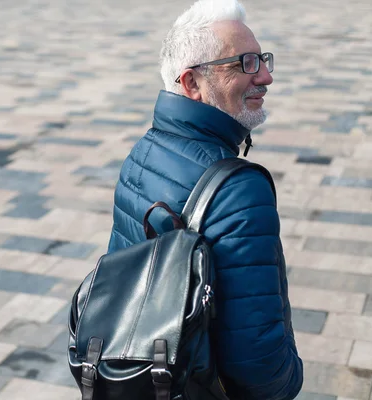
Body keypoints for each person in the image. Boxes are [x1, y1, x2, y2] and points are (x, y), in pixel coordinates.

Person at [106, 0, 304, 399]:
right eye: (245, 63)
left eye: (262, 59)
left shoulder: (143, 153)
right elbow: (259, 364)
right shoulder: (239, 189)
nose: (265, 76)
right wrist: (293, 378)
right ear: (191, 83)